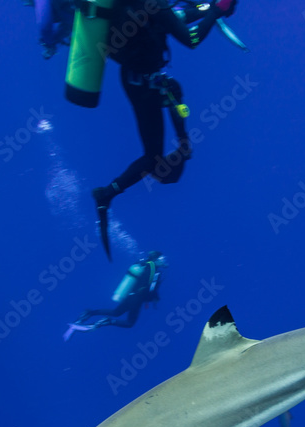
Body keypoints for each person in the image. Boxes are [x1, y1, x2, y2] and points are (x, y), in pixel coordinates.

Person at [87, 0, 237, 260]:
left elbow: (177, 17)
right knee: (152, 157)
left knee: (173, 94)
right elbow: (190, 38)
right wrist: (216, 11)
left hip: (139, 77)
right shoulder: (155, 4)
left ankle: (109, 193)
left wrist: (206, 9)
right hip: (144, 83)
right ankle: (106, 194)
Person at [63, 250, 166, 340]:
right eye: (161, 258)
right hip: (137, 299)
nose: (163, 260)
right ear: (157, 259)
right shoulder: (154, 270)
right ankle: (105, 322)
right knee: (129, 323)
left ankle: (88, 313)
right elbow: (149, 288)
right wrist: (155, 298)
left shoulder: (144, 264)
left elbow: (142, 283)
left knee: (116, 312)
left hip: (130, 295)